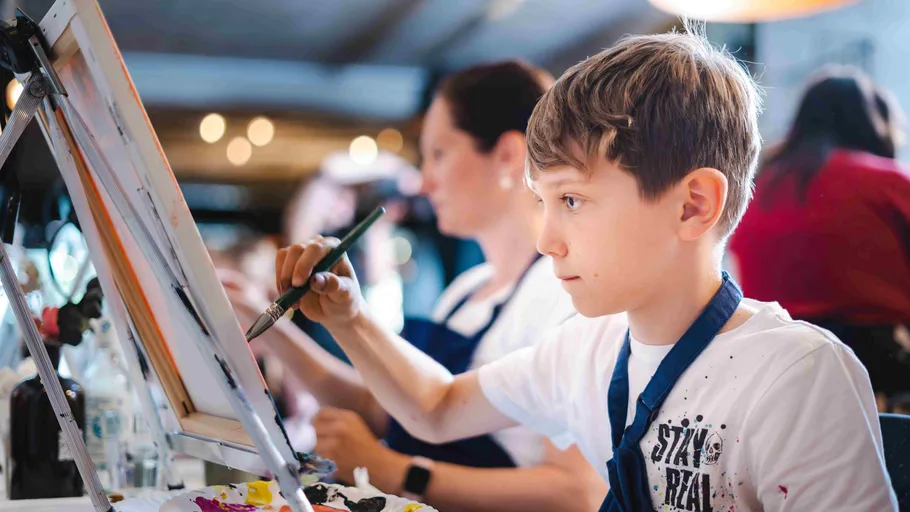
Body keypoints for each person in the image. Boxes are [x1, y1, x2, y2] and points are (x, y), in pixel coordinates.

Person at [274, 30, 898, 511]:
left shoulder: (797, 376)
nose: (547, 239)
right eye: (542, 202)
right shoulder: (587, 349)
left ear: (693, 205)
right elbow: (435, 407)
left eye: (572, 200)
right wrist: (352, 319)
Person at [231, 61, 606, 511]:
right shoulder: (467, 290)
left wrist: (394, 470)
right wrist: (270, 327)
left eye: (439, 154)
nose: (425, 182)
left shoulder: (566, 296)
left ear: (507, 155)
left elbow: (577, 494)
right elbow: (396, 408)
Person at [729, 67, 910, 410]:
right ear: (875, 121)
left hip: (768, 363)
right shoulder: (887, 182)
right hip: (879, 366)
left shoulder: (756, 190)